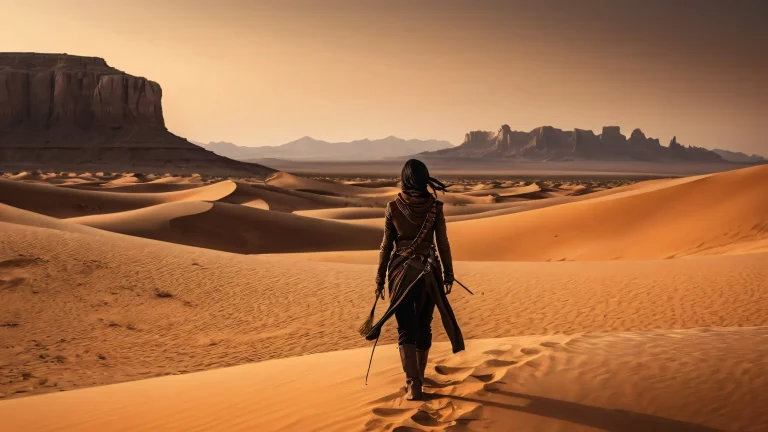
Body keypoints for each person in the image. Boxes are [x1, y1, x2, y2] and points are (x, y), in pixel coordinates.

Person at [364, 159, 464, 401]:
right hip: (430, 273)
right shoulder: (435, 208)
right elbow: (443, 243)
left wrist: (379, 278)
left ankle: (413, 384)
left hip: (400, 274)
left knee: (405, 326)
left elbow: (386, 246)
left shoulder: (392, 207)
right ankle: (419, 374)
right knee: (424, 324)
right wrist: (449, 273)